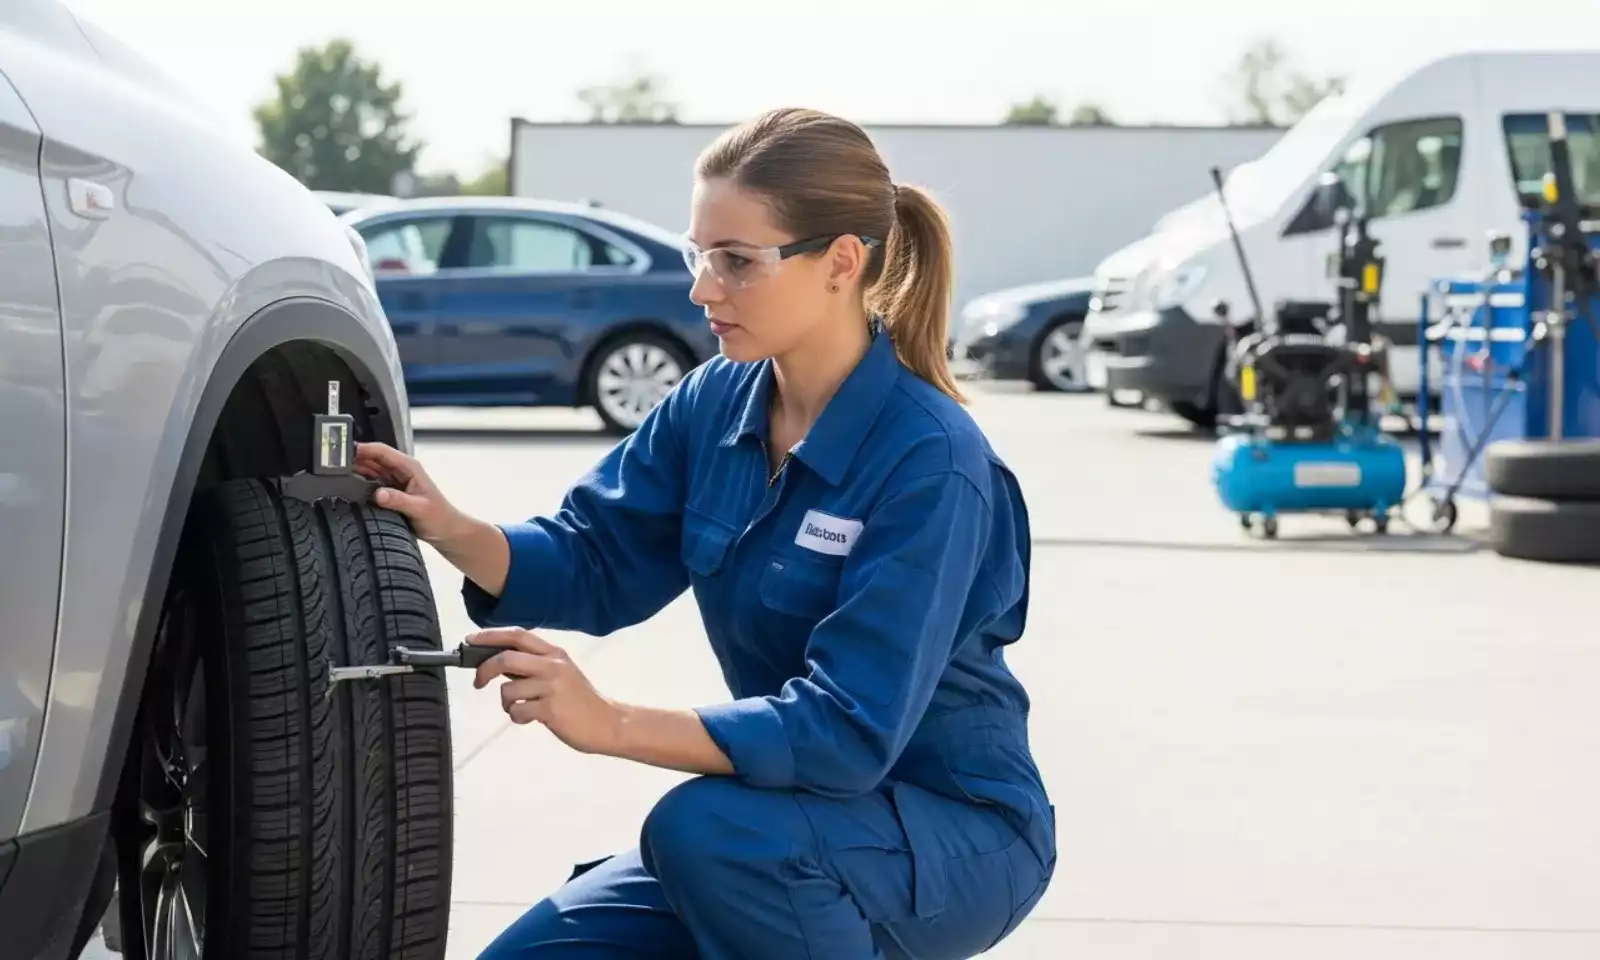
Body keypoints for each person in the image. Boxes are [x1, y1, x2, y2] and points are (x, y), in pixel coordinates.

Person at [353, 106, 1055, 960]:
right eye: (700, 255)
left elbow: (847, 732)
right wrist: (449, 526)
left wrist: (609, 721)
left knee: (704, 831)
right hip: (777, 819)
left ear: (842, 262)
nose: (702, 289)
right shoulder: (715, 400)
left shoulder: (932, 462)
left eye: (737, 261)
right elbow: (595, 558)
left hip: (946, 834)